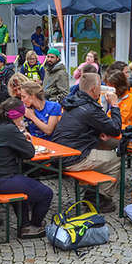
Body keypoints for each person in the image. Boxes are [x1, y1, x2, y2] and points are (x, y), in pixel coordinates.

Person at [51, 73, 121, 213]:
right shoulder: (90, 108)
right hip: (73, 158)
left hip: (60, 152)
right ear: (94, 89)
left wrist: (97, 132)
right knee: (117, 159)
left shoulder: (74, 101)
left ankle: (92, 191)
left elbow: (81, 126)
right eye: (100, 86)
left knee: (108, 147)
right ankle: (99, 198)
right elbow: (115, 129)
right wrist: (114, 105)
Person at [0, 97, 53, 238]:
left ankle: (25, 225)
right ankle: (34, 225)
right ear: (18, 117)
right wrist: (22, 132)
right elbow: (29, 152)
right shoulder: (10, 129)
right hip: (3, 179)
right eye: (22, 116)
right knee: (46, 193)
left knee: (23, 185)